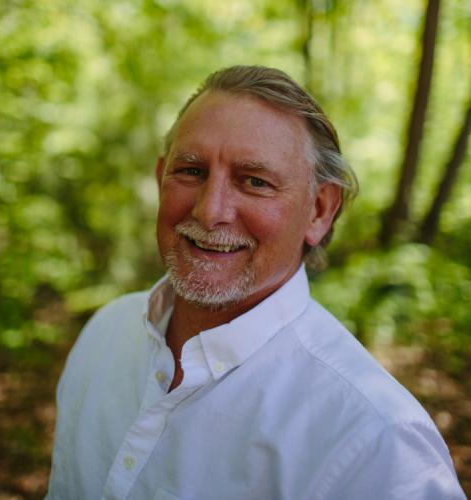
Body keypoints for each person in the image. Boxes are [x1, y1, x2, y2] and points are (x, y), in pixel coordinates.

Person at [47, 65, 465, 499]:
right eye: (191, 171)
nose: (211, 211)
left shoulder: (377, 442)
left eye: (254, 181)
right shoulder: (106, 332)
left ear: (320, 210)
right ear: (160, 178)